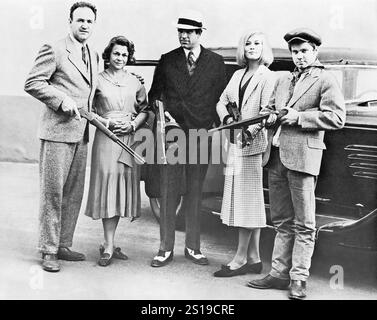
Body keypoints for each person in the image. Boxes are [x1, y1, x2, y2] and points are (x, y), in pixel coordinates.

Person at [247, 28, 346, 299]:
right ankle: (278, 274)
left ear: (315, 51)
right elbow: (269, 109)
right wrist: (267, 117)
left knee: (305, 223)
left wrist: (299, 117)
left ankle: (299, 278)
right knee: (281, 220)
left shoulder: (325, 78)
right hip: (277, 157)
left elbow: (336, 117)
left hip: (303, 159)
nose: (299, 56)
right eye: (294, 52)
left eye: (304, 51)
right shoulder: (282, 80)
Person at [146, 10, 227, 267]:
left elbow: (221, 98)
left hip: (202, 135)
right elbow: (154, 96)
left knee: (195, 192)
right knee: (169, 191)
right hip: (173, 135)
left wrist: (216, 124)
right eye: (180, 31)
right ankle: (165, 248)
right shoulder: (167, 60)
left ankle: (193, 247)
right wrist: (164, 116)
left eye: (189, 32)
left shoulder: (215, 62)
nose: (184, 36)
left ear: (200, 33)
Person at [24, 2, 99, 272]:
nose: (84, 25)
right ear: (70, 21)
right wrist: (61, 100)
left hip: (81, 134)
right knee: (52, 193)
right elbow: (32, 82)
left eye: (89, 21)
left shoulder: (93, 53)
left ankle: (63, 244)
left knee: (73, 194)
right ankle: (48, 250)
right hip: (56, 133)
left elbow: (93, 90)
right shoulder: (54, 48)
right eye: (79, 20)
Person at [213, 31, 276, 277]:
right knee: (249, 202)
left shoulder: (267, 77)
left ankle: (239, 259)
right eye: (248, 43)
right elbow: (222, 101)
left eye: (257, 43)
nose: (252, 47)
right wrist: (228, 119)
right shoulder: (238, 74)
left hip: (252, 144)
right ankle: (254, 258)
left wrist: (248, 131)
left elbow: (266, 112)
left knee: (247, 202)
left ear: (264, 48)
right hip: (236, 142)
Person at [84, 36, 148, 267]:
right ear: (108, 56)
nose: (120, 58)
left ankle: (110, 243)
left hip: (129, 140)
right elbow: (88, 110)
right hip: (107, 139)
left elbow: (145, 110)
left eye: (124, 54)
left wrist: (133, 125)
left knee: (122, 189)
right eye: (116, 54)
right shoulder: (97, 80)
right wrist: (106, 123)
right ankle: (108, 245)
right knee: (109, 188)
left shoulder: (135, 81)